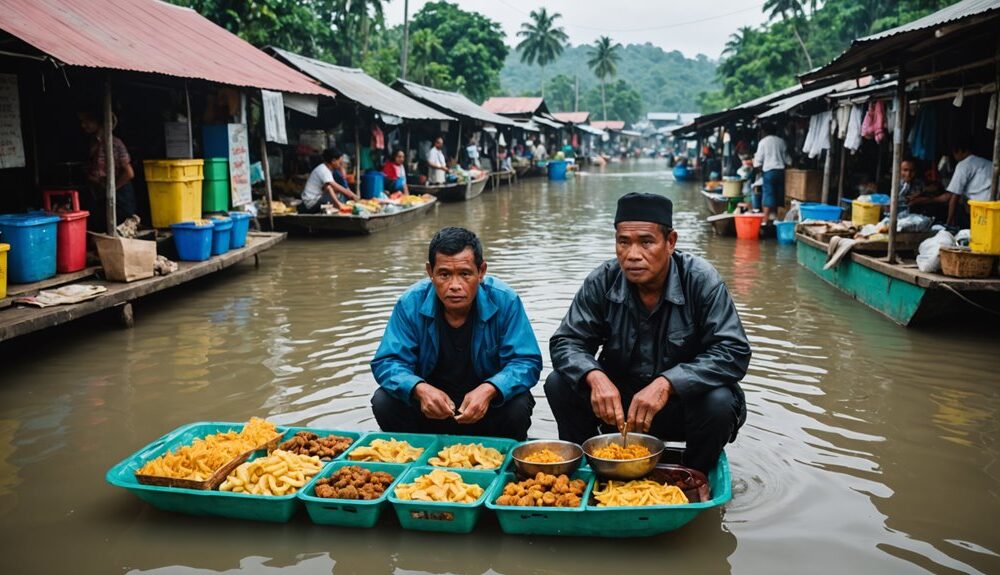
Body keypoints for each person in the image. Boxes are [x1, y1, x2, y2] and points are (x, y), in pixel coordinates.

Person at [545, 193, 751, 473]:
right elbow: (566, 341)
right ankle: (586, 471)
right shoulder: (602, 280)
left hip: (681, 406)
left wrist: (668, 383)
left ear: (671, 242)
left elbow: (733, 352)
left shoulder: (702, 281)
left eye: (646, 242)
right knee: (559, 382)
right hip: (619, 408)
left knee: (720, 401)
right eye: (623, 242)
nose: (633, 255)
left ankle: (695, 476)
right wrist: (595, 377)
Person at [370, 227, 542, 440]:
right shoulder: (410, 303)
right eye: (444, 274)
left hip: (484, 409)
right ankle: (415, 453)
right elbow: (388, 361)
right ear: (430, 272)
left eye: (465, 274)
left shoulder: (505, 300)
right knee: (384, 401)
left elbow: (526, 361)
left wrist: (491, 389)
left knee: (519, 404)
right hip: (432, 410)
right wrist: (419, 388)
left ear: (481, 272)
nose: (454, 286)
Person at [79, 111, 135, 230]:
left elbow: (129, 173)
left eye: (87, 121)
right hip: (103, 193)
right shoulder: (94, 143)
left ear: (98, 122)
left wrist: (112, 189)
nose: (83, 125)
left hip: (120, 196)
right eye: (82, 122)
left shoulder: (114, 143)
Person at [945, 141, 992, 227]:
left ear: (959, 151)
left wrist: (949, 222)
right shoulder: (988, 163)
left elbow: (954, 197)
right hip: (995, 206)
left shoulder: (963, 165)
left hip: (980, 208)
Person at [752, 123, 791, 221]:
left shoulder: (763, 142)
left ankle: (765, 220)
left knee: (768, 194)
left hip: (769, 171)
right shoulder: (781, 141)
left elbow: (758, 161)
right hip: (780, 172)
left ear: (764, 132)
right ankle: (777, 218)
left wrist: (757, 167)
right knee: (779, 194)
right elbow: (788, 160)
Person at [301, 148, 358, 214]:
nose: (340, 165)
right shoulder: (324, 171)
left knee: (335, 191)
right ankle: (339, 206)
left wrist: (350, 194)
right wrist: (352, 195)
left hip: (314, 199)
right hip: (311, 202)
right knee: (334, 191)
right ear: (333, 161)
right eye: (339, 163)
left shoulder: (326, 169)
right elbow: (336, 187)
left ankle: (339, 206)